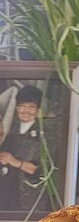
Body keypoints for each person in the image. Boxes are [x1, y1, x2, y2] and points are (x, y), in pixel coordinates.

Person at [0, 84, 42, 212]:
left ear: (38, 109)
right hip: (5, 192)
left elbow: (43, 171)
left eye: (31, 107)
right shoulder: (8, 128)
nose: (26, 111)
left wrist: (16, 162)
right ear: (16, 107)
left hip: (28, 197)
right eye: (22, 106)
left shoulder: (45, 135)